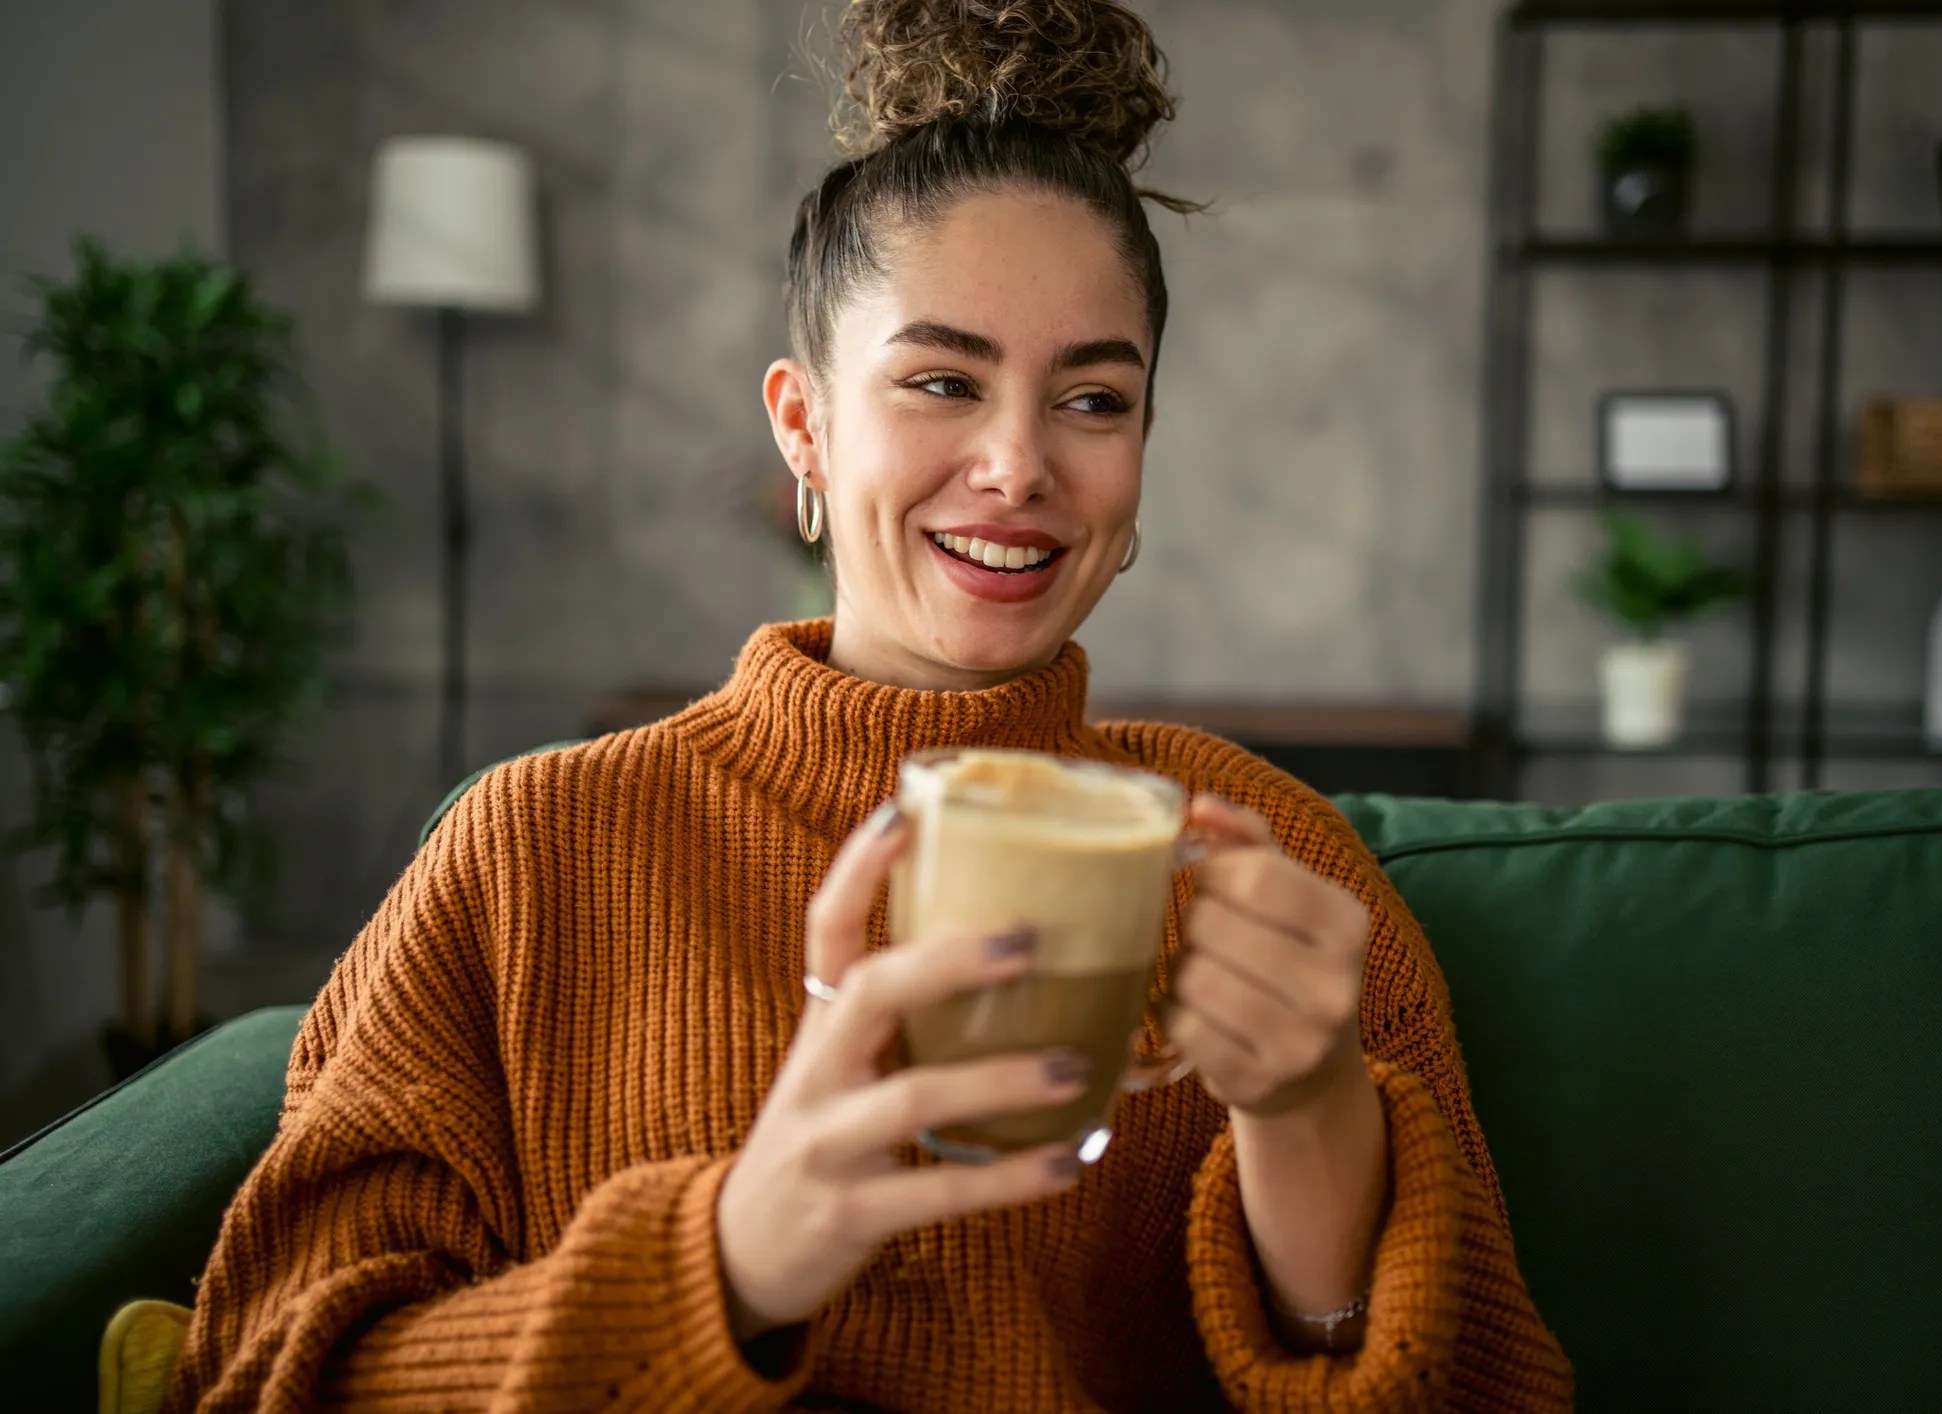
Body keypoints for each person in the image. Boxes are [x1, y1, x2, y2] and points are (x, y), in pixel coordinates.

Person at [165, 2, 1571, 1409]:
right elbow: (259, 1376)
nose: (1018, 463)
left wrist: (1313, 1118)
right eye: (941, 381)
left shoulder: (1275, 859)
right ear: (803, 424)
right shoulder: (526, 854)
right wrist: (728, 1260)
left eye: (1092, 400)